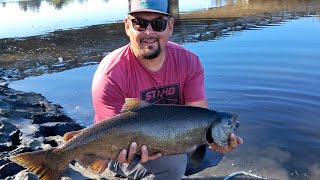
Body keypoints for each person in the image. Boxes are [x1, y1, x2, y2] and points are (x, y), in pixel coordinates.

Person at [91, 0, 243, 179]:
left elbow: (199, 116)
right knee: (174, 163)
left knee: (213, 150)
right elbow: (110, 136)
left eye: (158, 24)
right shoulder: (110, 74)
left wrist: (216, 142)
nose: (149, 32)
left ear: (170, 26)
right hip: (116, 151)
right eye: (139, 23)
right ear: (127, 26)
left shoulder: (189, 62)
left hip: (172, 140)